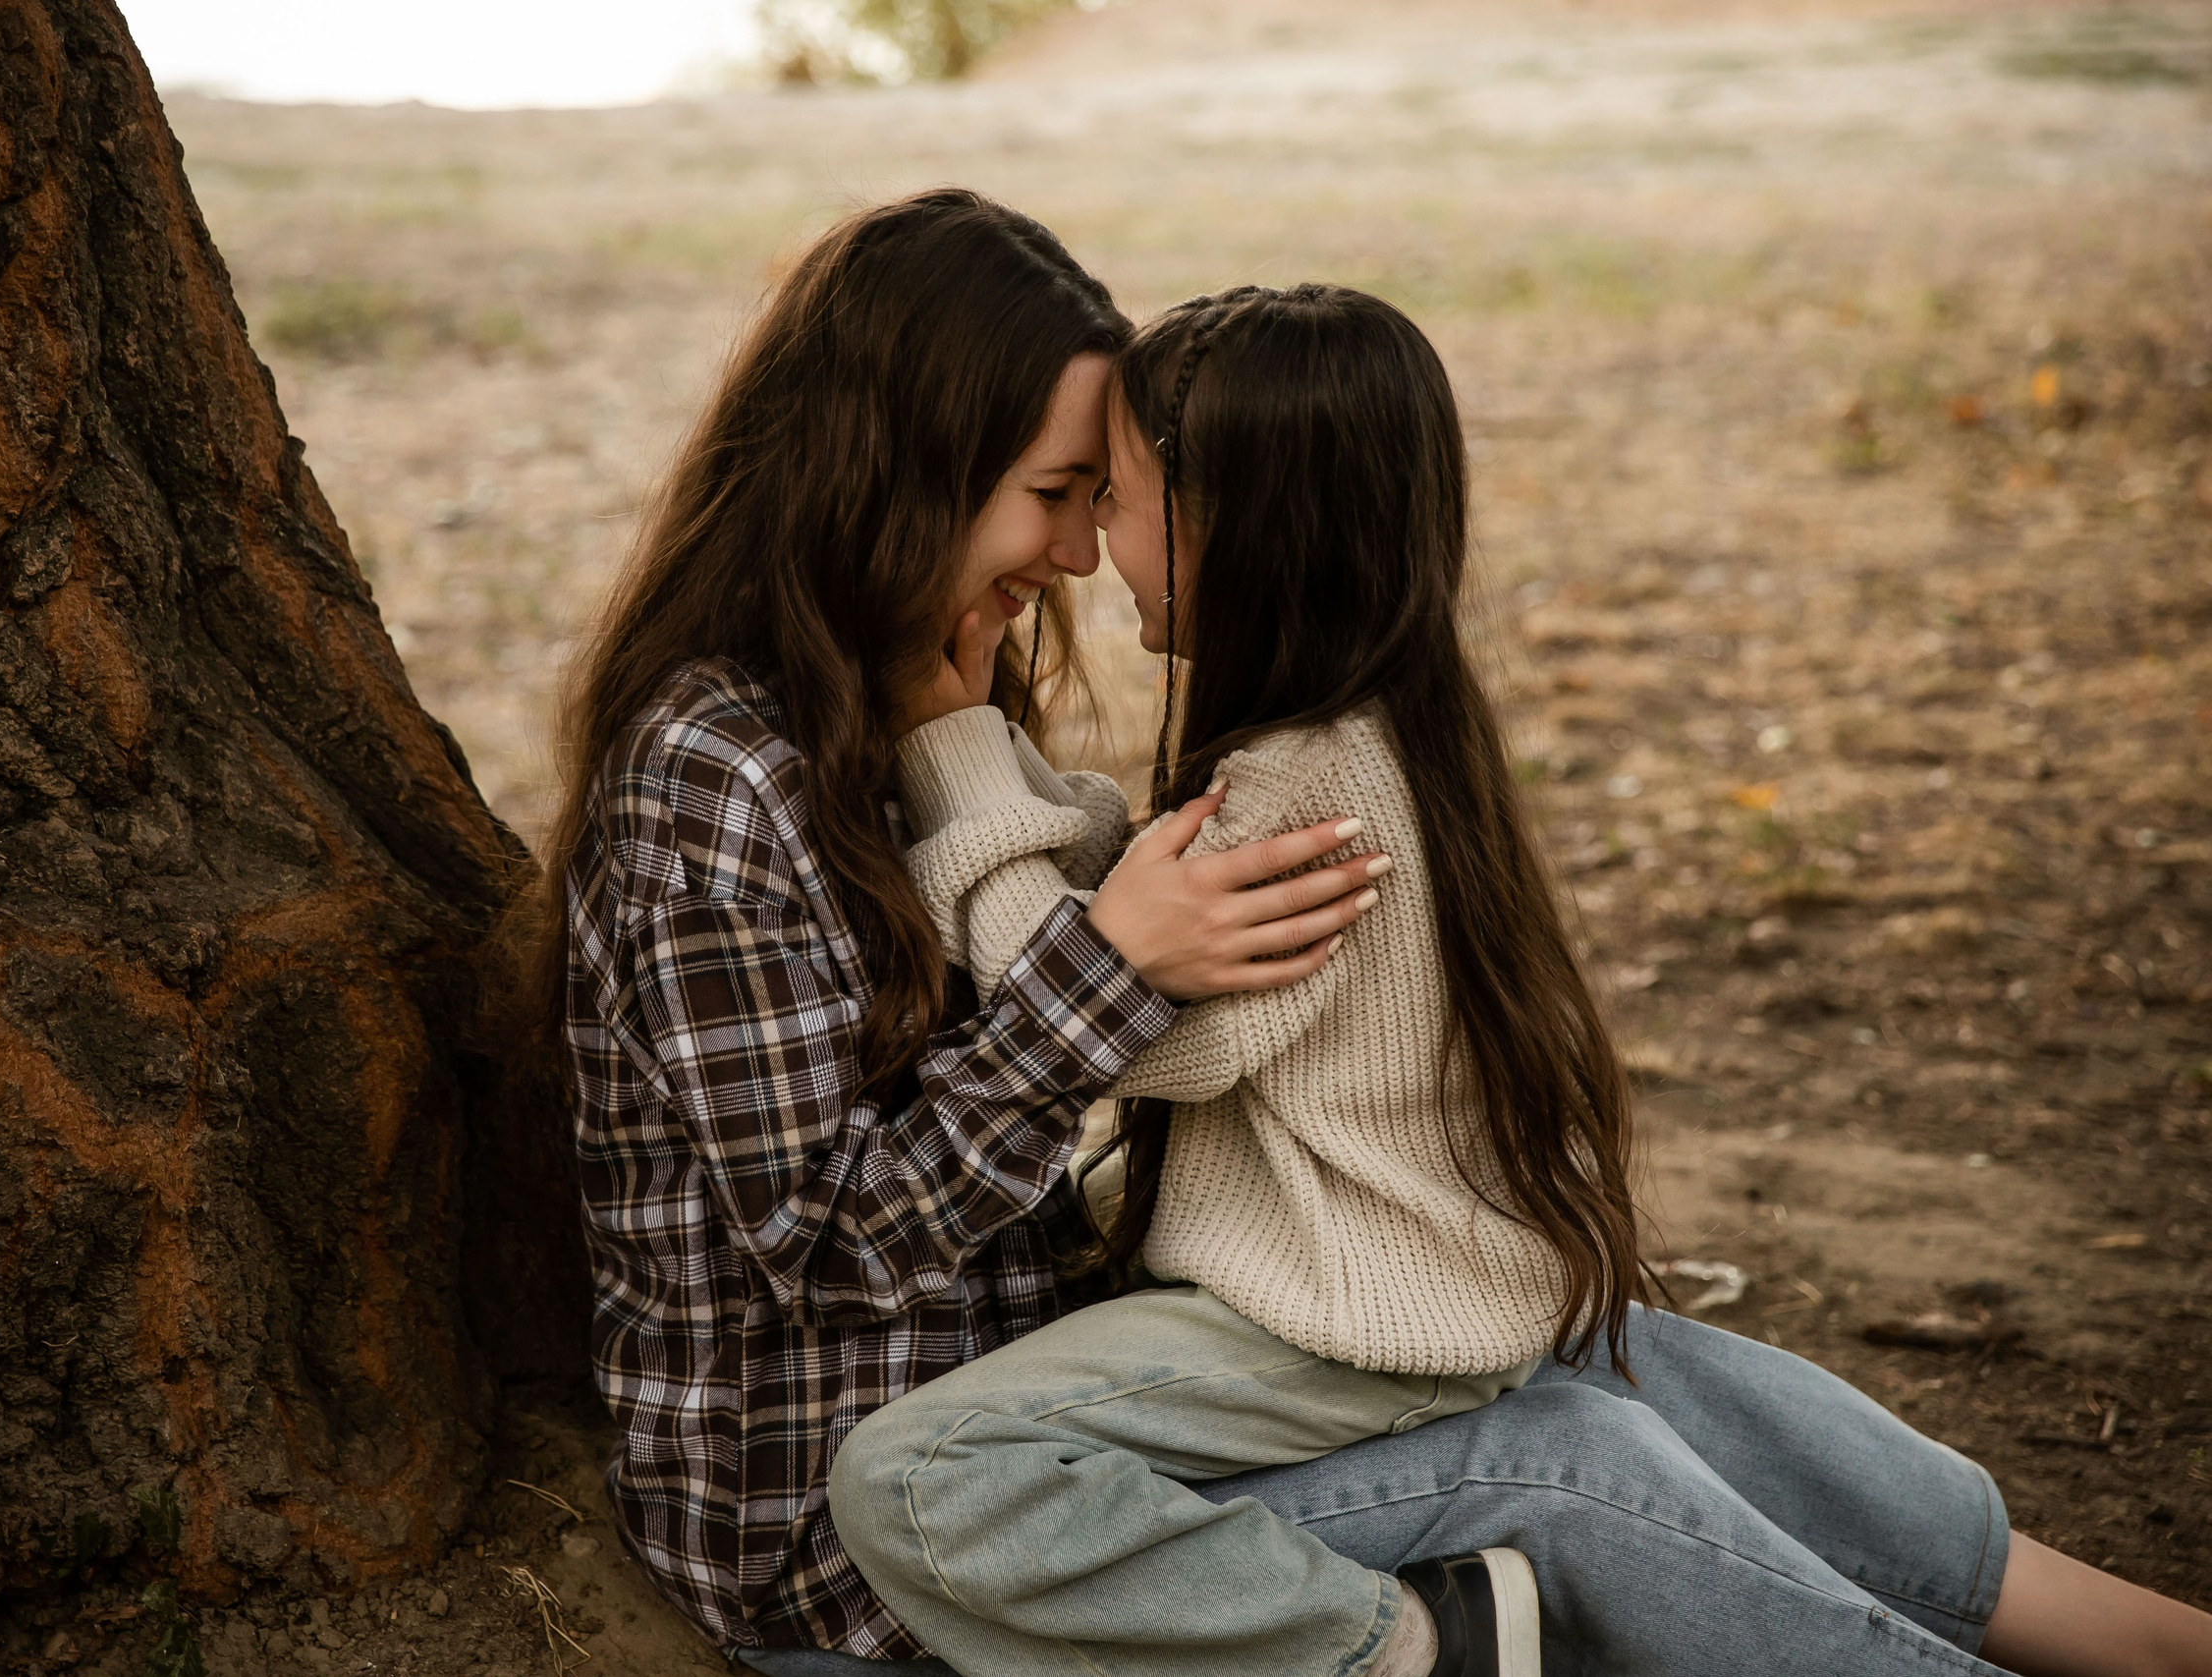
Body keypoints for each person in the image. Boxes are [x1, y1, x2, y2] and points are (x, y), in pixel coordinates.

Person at [825, 284, 2212, 1677]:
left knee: (918, 1475)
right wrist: (1028, 803)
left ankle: (1411, 1651)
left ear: (1223, 527)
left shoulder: (1307, 792)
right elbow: (1143, 902)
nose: (1087, 548)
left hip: (1336, 1329)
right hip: (1423, 1289)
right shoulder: (1381, 729)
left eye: (1112, 497)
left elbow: (1115, 1027)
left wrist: (950, 755)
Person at [505, 192, 1381, 1668]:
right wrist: (1111, 974)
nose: (1083, 559)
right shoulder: (713, 781)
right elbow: (831, 1242)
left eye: (1095, 498)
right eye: (1052, 494)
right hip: (852, 1550)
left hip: (1014, 1437)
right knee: (1553, 1472)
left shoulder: (914, 695)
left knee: (1587, 1397)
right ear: (897, 472)